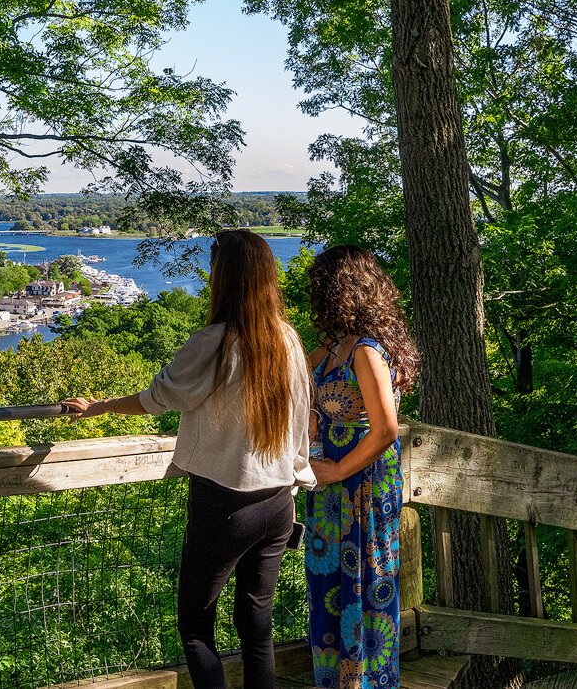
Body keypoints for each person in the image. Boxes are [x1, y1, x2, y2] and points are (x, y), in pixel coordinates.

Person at [64, 229, 314, 689]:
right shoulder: (288, 341)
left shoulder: (216, 341)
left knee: (196, 624)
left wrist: (97, 407)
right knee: (256, 626)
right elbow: (300, 424)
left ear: (224, 276)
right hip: (280, 500)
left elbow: (158, 398)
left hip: (225, 503)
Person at [303, 246, 419, 689]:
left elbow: (387, 428)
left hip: (363, 486)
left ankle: (369, 683)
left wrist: (336, 471)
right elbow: (299, 387)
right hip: (331, 490)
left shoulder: (366, 351)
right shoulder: (332, 349)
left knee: (365, 586)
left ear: (339, 291)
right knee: (330, 586)